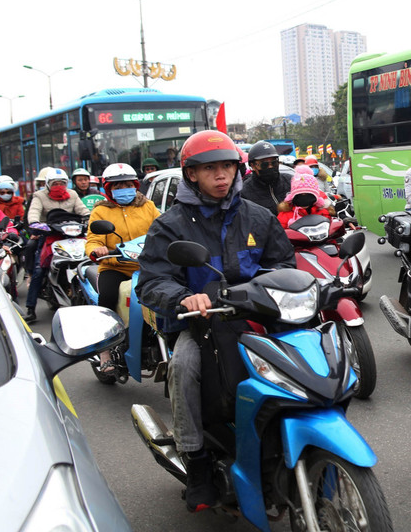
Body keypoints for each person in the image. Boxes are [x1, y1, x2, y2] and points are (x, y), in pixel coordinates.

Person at [136, 130, 295, 513]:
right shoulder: (171, 224)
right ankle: (198, 461)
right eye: (210, 169)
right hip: (202, 325)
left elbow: (284, 265)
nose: (221, 176)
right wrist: (183, 296)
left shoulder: (258, 216)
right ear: (191, 174)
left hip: (258, 321)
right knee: (184, 366)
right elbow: (152, 281)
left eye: (227, 167)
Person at [85, 163, 160, 374]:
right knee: (106, 301)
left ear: (135, 185)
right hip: (115, 267)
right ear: (109, 189)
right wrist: (97, 249)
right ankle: (105, 352)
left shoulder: (148, 206)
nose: (123, 189)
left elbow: (163, 227)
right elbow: (93, 239)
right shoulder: (101, 211)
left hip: (147, 266)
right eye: (118, 186)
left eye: (127, 185)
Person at [25, 168, 90, 321]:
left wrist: (90, 219)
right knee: (39, 270)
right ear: (47, 184)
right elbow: (33, 213)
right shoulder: (39, 196)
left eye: (62, 183)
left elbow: (83, 210)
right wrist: (36, 224)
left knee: (89, 263)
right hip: (50, 236)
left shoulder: (72, 194)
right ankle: (30, 308)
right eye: (55, 183)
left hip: (73, 235)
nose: (59, 185)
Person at [241, 140, 292, 215]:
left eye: (274, 163)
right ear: (253, 166)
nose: (270, 167)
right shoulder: (244, 192)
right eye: (264, 164)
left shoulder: (291, 181)